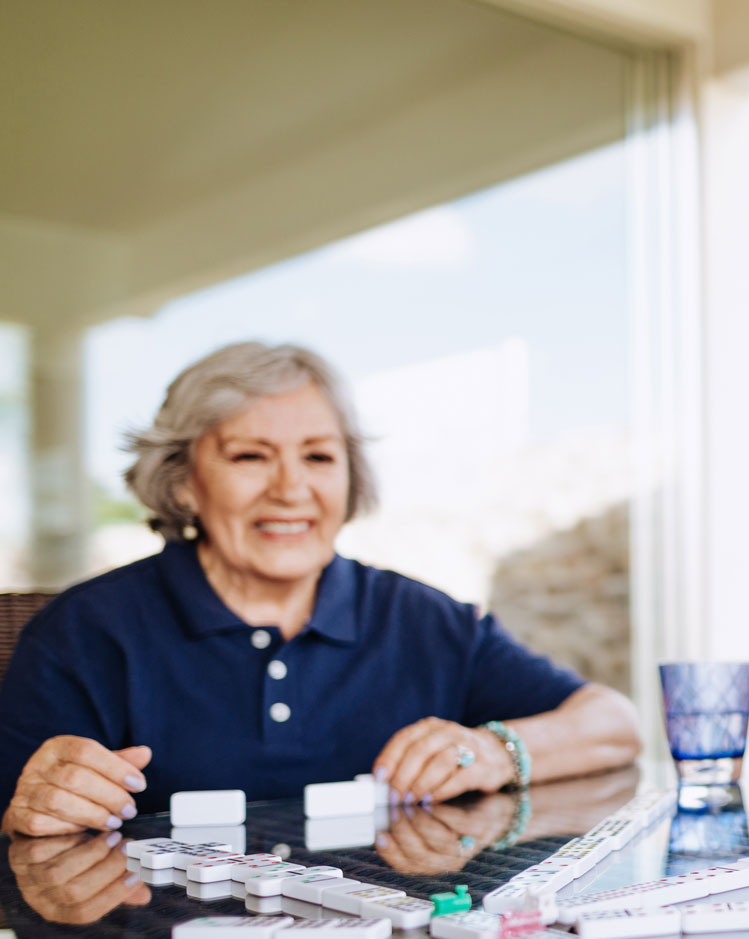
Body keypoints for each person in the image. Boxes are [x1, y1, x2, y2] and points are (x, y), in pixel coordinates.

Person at [0, 342, 640, 836]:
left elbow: (614, 724)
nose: (291, 489)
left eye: (319, 457)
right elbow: (14, 817)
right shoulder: (83, 632)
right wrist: (30, 805)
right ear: (183, 483)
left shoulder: (422, 620)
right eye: (250, 456)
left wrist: (497, 750)